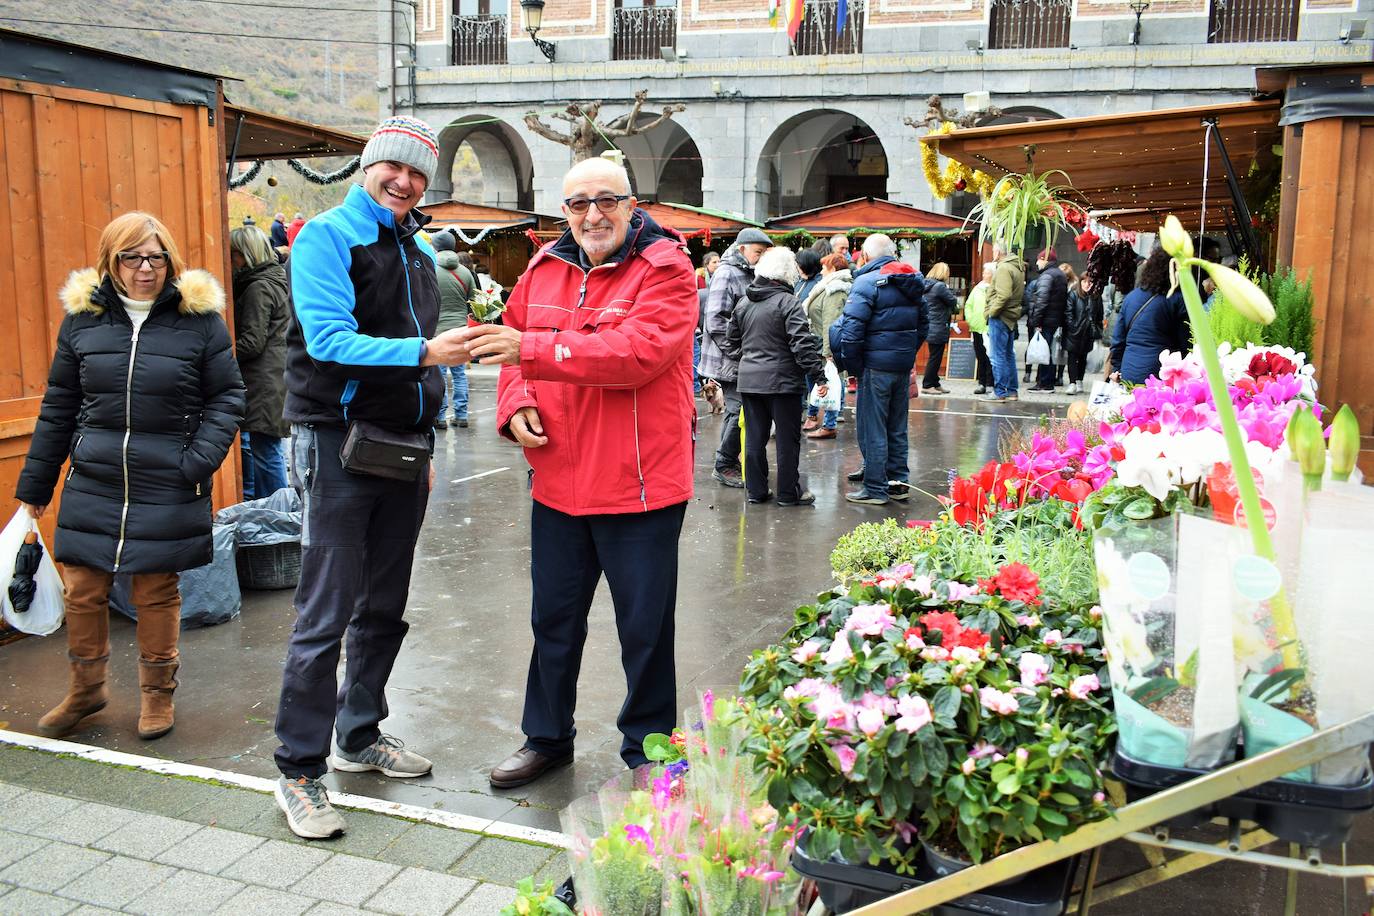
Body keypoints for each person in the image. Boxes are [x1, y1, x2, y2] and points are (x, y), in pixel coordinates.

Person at [272, 116, 478, 839]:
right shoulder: (327, 237)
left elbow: (422, 345)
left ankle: (359, 735)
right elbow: (326, 340)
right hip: (336, 442)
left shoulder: (419, 246)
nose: (405, 181)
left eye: (419, 173)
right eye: (394, 167)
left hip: (404, 447)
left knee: (385, 604)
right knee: (325, 610)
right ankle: (298, 769)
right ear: (369, 167)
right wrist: (428, 351)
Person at [475, 158, 696, 789]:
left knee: (646, 631)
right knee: (553, 621)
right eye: (578, 204)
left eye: (606, 200)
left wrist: (533, 353)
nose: (592, 215)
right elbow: (510, 343)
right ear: (563, 211)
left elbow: (637, 355)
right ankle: (546, 738)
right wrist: (514, 401)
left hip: (640, 485)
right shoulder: (545, 267)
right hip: (559, 482)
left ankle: (650, 752)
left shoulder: (667, 268)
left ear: (632, 203)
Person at [16, 212, 245, 741]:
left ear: (170, 259)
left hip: (167, 478)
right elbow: (59, 405)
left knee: (156, 590)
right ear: (110, 261)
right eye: (131, 257)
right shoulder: (83, 321)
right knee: (83, 588)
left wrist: (196, 461)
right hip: (94, 477)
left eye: (156, 256)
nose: (145, 268)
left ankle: (156, 694)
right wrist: (35, 488)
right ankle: (86, 690)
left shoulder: (199, 320)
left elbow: (229, 396)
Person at [724, 247, 823, 506]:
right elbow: (802, 344)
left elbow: (730, 341)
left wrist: (748, 360)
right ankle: (789, 493)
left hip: (750, 380)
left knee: (755, 437)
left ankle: (756, 491)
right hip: (784, 382)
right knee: (787, 440)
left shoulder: (744, 302)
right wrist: (819, 376)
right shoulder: (788, 302)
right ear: (787, 273)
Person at [833, 234, 925, 506]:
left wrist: (854, 367)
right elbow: (924, 325)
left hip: (874, 366)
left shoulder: (865, 282)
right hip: (900, 364)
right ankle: (897, 483)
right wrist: (906, 353)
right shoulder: (912, 279)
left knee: (872, 427)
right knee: (896, 427)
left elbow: (851, 332)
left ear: (865, 255)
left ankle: (875, 487)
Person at [698, 228, 773, 489]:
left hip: (744, 357)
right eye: (758, 252)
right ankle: (725, 464)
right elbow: (716, 320)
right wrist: (740, 352)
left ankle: (732, 459)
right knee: (737, 409)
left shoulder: (752, 272)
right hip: (728, 359)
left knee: (745, 409)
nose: (761, 257)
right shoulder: (727, 273)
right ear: (742, 250)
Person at [229, 225, 291, 499]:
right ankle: (274, 506)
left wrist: (222, 355)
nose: (230, 261)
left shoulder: (258, 287)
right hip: (274, 373)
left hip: (263, 378)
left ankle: (278, 511)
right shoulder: (275, 277)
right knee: (265, 448)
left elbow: (252, 342)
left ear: (244, 254)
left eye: (233, 255)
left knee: (266, 450)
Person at [1110, 247, 1188, 385]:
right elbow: (1185, 342)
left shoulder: (1130, 298)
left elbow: (1118, 340)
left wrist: (1117, 368)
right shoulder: (1177, 300)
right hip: (1161, 374)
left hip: (1129, 372)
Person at [802, 253, 852, 439]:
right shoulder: (826, 286)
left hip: (825, 346)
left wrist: (829, 352)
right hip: (816, 343)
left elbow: (830, 322)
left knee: (830, 382)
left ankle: (829, 425)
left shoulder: (835, 289)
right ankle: (814, 416)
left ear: (833, 269)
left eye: (824, 267)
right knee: (818, 381)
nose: (821, 271)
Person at [431, 229, 477, 429]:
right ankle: (461, 415)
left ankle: (440, 418)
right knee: (459, 375)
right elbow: (475, 302)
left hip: (436, 330)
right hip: (460, 330)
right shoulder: (465, 272)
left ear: (435, 247)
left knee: (438, 376)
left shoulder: (430, 268)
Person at [983, 243, 1026, 403]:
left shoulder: (1003, 268)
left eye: (994, 249)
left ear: (999, 252)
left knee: (997, 356)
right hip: (1011, 316)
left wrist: (991, 312)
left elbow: (1004, 295)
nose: (993, 252)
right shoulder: (1017, 267)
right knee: (1008, 355)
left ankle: (1000, 391)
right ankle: (1012, 391)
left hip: (1000, 316)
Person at [1027, 247, 1068, 392]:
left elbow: (1042, 300)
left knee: (1044, 351)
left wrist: (1036, 321)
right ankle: (1045, 381)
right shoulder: (1059, 275)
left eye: (1038, 259)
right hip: (1054, 318)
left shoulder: (1047, 276)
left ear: (1045, 260)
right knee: (1047, 350)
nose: (1036, 262)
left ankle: (1045, 383)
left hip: (1046, 319)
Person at [1062, 267, 1103, 395]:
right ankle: (1072, 382)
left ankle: (1079, 380)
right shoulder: (1073, 294)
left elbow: (1099, 315)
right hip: (1074, 333)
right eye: (1084, 282)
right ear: (1080, 282)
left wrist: (1097, 329)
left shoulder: (1096, 297)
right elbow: (1068, 313)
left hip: (1088, 333)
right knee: (1072, 357)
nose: (1086, 285)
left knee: (1083, 357)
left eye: (1089, 282)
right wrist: (1073, 326)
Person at [920, 262, 956, 395]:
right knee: (935, 357)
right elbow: (952, 301)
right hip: (938, 324)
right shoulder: (940, 286)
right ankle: (927, 384)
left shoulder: (926, 284)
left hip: (930, 324)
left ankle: (935, 382)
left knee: (935, 355)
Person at [964, 263, 996, 395]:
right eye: (984, 272)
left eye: (987, 272)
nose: (984, 274)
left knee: (990, 357)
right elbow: (968, 304)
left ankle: (990, 383)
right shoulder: (977, 288)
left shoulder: (995, 289)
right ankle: (981, 383)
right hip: (976, 327)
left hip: (989, 328)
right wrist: (970, 319)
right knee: (980, 356)